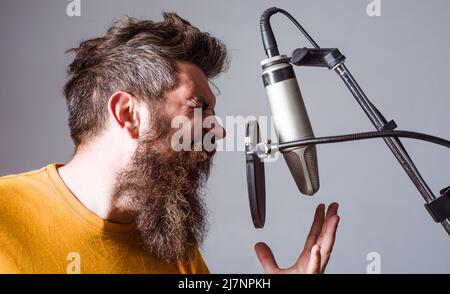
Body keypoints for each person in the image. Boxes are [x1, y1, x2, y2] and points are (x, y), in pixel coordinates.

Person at [0, 12, 339, 274]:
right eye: (198, 107)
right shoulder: (6, 213)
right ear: (128, 114)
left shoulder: (178, 255)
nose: (219, 131)